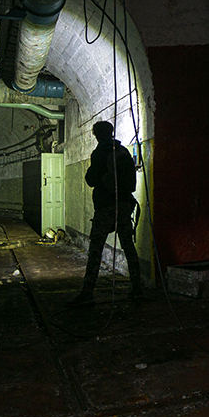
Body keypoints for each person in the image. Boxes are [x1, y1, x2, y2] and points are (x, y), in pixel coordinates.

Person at [67, 120, 143, 305]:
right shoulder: (122, 150)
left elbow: (91, 180)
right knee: (129, 247)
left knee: (96, 249)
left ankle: (87, 291)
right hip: (124, 206)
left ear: (97, 135)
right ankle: (137, 288)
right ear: (111, 132)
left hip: (105, 208)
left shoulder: (99, 153)